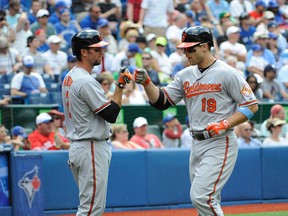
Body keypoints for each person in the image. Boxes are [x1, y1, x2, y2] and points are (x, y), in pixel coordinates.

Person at [133, 26, 259, 215]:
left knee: (201, 197)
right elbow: (162, 102)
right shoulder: (184, 74)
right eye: (184, 49)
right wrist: (147, 83)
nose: (186, 53)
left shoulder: (228, 73)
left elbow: (251, 105)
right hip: (196, 142)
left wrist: (226, 123)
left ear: (206, 46)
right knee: (208, 200)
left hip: (219, 141)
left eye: (191, 48)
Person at [62, 29, 132, 216]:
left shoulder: (70, 76)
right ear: (83, 52)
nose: (101, 52)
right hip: (90, 147)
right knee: (91, 209)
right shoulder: (85, 81)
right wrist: (120, 86)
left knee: (90, 206)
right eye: (96, 49)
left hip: (80, 146)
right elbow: (111, 114)